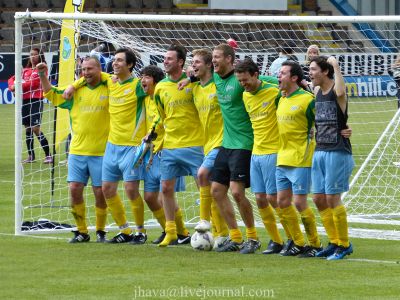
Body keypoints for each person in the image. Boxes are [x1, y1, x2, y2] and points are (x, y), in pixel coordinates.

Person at [65, 48, 147, 244]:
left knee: (130, 190)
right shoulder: (110, 81)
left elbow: (156, 92)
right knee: (107, 190)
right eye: (114, 60)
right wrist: (73, 85)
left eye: (120, 61)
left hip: (132, 145)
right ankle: (125, 231)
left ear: (130, 65)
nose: (115, 63)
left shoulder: (138, 86)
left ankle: (141, 232)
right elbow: (90, 73)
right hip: (112, 145)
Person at [36, 56, 109, 243]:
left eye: (90, 69)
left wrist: (75, 84)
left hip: (102, 151)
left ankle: (101, 230)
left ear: (99, 69)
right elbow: (52, 95)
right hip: (77, 151)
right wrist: (43, 75)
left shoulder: (109, 88)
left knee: (100, 192)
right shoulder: (74, 92)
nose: (86, 72)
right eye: (83, 69)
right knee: (74, 189)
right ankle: (82, 231)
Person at [235, 58, 291, 255]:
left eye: (245, 80)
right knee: (260, 199)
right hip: (256, 153)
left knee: (274, 199)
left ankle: (292, 238)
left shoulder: (274, 92)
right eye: (240, 81)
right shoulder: (245, 96)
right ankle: (276, 241)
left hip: (274, 151)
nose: (243, 84)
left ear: (255, 75)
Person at [209, 44, 261, 254]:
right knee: (216, 190)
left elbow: (267, 83)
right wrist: (189, 78)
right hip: (226, 143)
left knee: (238, 192)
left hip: (243, 143)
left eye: (218, 57)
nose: (214, 61)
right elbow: (199, 73)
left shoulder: (240, 81)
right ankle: (235, 237)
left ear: (229, 59)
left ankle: (253, 238)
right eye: (212, 57)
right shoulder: (215, 77)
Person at [154, 44, 204, 247]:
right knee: (166, 188)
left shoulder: (195, 83)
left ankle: (209, 228)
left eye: (170, 59)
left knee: (204, 188)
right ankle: (171, 231)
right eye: (164, 58)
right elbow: (162, 116)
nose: (165, 61)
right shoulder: (160, 88)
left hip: (195, 143)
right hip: (171, 145)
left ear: (181, 62)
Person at [309, 56, 354, 260]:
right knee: (318, 198)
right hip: (320, 150)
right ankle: (334, 241)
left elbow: (341, 90)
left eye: (313, 69)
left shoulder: (338, 93)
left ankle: (344, 244)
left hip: (337, 150)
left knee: (332, 198)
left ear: (325, 72)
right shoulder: (317, 91)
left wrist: (335, 64)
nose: (310, 73)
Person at [276, 60, 322, 257]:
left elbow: (323, 121)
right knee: (281, 202)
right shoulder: (281, 98)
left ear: (294, 77)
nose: (279, 76)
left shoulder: (308, 100)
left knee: (300, 203)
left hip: (301, 158)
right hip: (282, 157)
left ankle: (316, 244)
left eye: (283, 73)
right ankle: (298, 242)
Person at [140, 65, 186, 245]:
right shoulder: (146, 98)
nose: (143, 80)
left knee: (163, 195)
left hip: (167, 149)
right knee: (150, 197)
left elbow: (161, 118)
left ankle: (181, 232)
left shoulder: (162, 95)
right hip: (152, 152)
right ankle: (168, 230)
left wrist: (150, 132)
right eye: (142, 77)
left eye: (147, 77)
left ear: (156, 81)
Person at [191, 48, 229, 248]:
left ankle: (204, 220)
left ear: (209, 65)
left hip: (223, 141)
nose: (194, 65)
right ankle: (222, 234)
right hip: (207, 144)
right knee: (215, 192)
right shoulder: (195, 89)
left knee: (203, 174)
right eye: (193, 62)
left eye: (198, 62)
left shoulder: (219, 84)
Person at [8, 47, 52, 164]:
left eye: (35, 54)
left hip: (36, 100)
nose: (32, 57)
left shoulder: (42, 69)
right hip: (26, 101)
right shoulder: (25, 70)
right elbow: (11, 79)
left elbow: (34, 83)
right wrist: (12, 86)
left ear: (39, 56)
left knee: (35, 128)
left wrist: (17, 86)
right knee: (28, 129)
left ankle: (48, 155)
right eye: (31, 54)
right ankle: (31, 156)